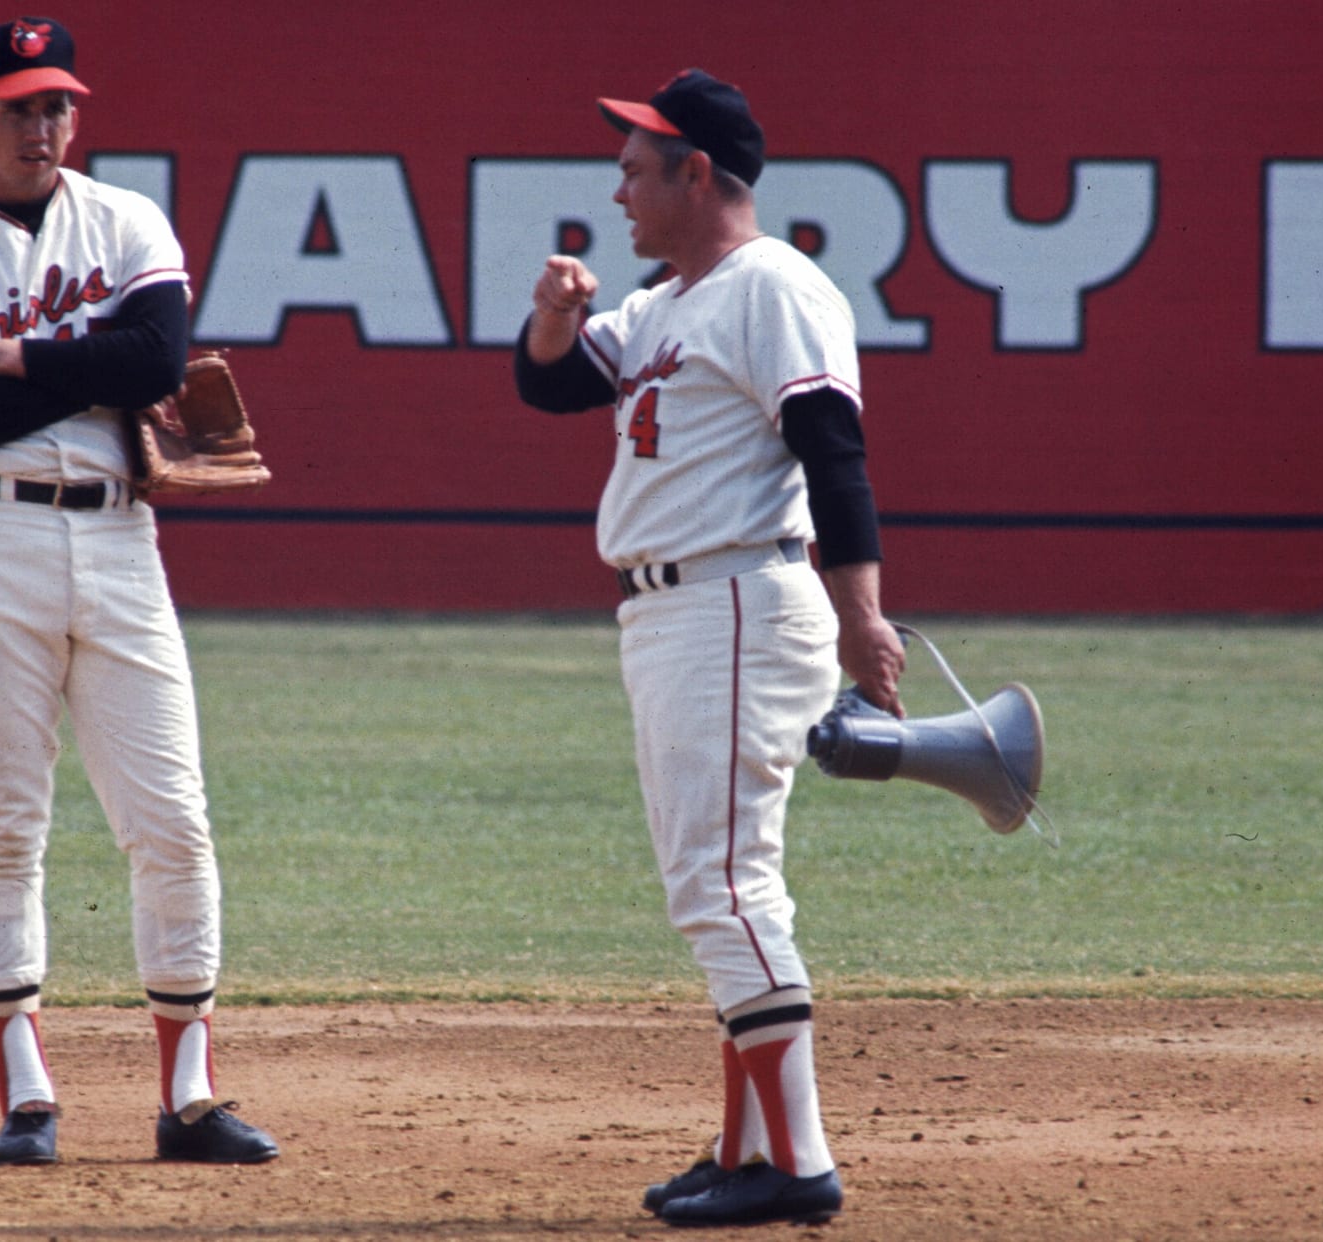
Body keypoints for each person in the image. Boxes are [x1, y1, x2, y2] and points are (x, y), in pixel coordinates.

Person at [0, 15, 278, 1168]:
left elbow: (154, 363)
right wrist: (75, 371)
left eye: (57, 105)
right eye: (17, 106)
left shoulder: (127, 219)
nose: (41, 125)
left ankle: (190, 1098)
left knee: (175, 820)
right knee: (6, 822)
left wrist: (13, 358)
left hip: (120, 542)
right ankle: (27, 1098)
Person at [511, 69, 906, 1227]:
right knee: (719, 877)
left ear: (699, 173)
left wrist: (862, 611)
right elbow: (550, 389)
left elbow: (834, 453)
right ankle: (746, 1148)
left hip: (734, 600)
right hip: (676, 612)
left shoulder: (771, 287)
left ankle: (798, 1164)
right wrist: (551, 316)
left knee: (725, 886)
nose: (619, 186)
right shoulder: (666, 301)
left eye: (638, 165)